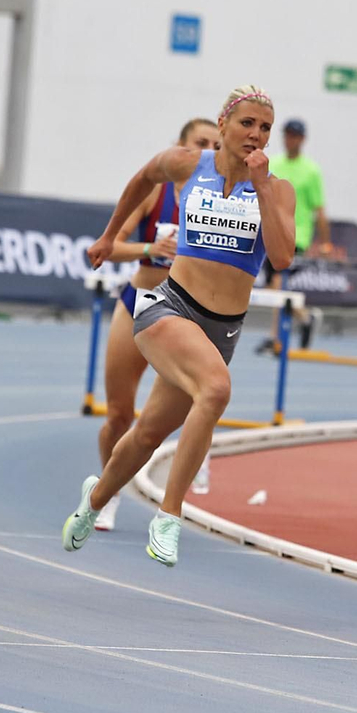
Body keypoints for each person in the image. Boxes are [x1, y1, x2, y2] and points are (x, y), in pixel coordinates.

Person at [63, 86, 296, 567]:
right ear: (224, 125)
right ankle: (169, 516)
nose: (256, 135)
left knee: (148, 434)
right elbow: (140, 178)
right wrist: (110, 235)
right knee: (215, 391)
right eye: (247, 123)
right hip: (168, 306)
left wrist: (265, 189)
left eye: (265, 127)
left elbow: (282, 256)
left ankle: (93, 500)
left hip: (222, 329)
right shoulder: (188, 165)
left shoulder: (277, 188)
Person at [91, 117, 218, 532]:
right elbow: (114, 247)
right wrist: (150, 247)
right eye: (201, 143)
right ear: (181, 148)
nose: (208, 151)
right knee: (119, 413)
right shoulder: (158, 194)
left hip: (185, 315)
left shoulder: (224, 197)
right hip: (137, 303)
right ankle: (106, 495)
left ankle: (197, 450)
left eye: (215, 144)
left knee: (190, 402)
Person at [259, 118, 333, 353]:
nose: (290, 140)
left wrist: (325, 242)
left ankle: (276, 336)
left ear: (302, 139)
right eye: (288, 135)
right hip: (269, 231)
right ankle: (304, 318)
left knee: (278, 283)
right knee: (274, 286)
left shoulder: (311, 171)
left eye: (295, 136)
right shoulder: (274, 163)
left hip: (295, 235)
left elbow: (319, 209)